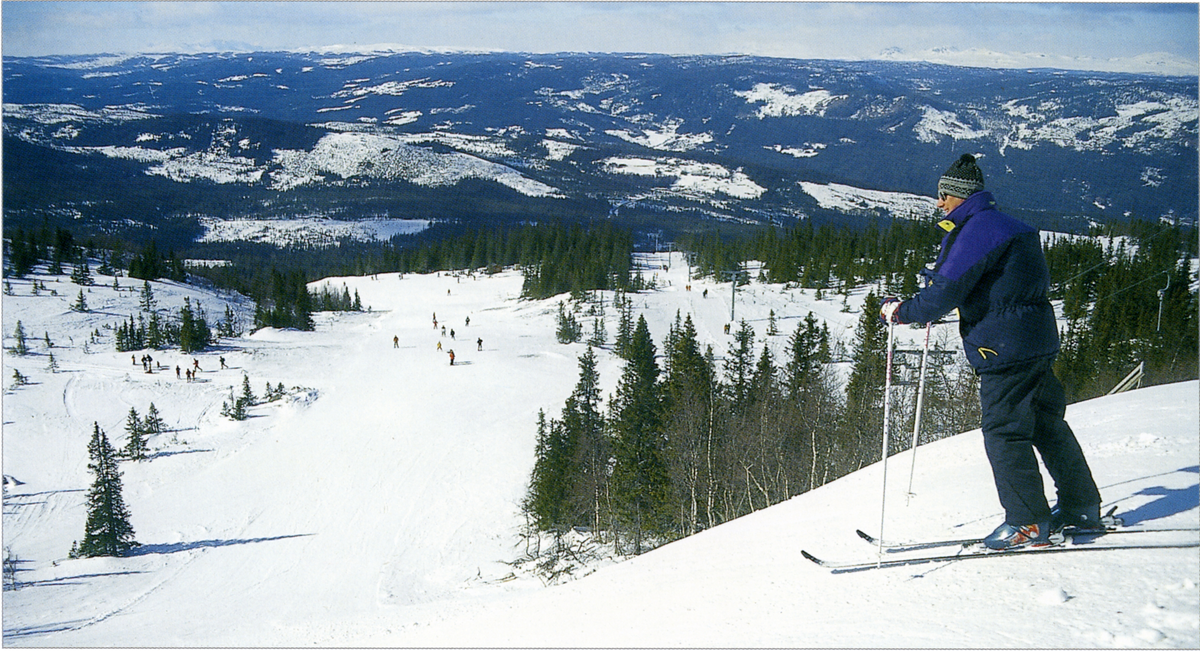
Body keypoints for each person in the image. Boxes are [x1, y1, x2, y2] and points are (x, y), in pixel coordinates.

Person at [880, 153, 1101, 551]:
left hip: (1002, 348)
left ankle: (1028, 523)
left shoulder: (979, 230)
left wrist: (901, 311)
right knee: (1047, 425)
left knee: (1004, 432)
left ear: (960, 196)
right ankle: (1082, 507)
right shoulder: (1009, 226)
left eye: (944, 195)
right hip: (1035, 340)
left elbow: (946, 291)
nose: (939, 203)